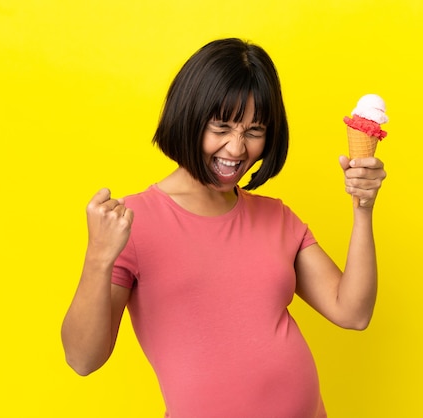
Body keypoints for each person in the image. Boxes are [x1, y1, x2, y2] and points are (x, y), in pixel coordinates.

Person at [61, 38, 386, 418]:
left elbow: (353, 313)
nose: (235, 149)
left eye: (253, 131)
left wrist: (362, 209)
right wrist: (98, 258)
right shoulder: (131, 222)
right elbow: (82, 359)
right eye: (221, 127)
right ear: (189, 117)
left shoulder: (277, 218)